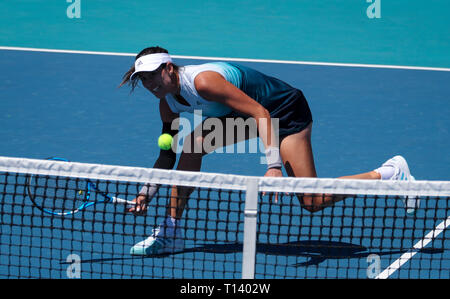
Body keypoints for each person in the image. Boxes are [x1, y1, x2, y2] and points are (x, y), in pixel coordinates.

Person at [119, 46, 416, 256]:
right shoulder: (167, 104)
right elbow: (167, 155)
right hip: (242, 116)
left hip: (282, 111)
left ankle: (389, 173)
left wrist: (273, 164)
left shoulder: (203, 82)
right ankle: (171, 231)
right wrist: (148, 191)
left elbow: (262, 113)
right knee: (190, 146)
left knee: (312, 200)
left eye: (152, 76)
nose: (148, 84)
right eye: (142, 80)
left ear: (169, 68)